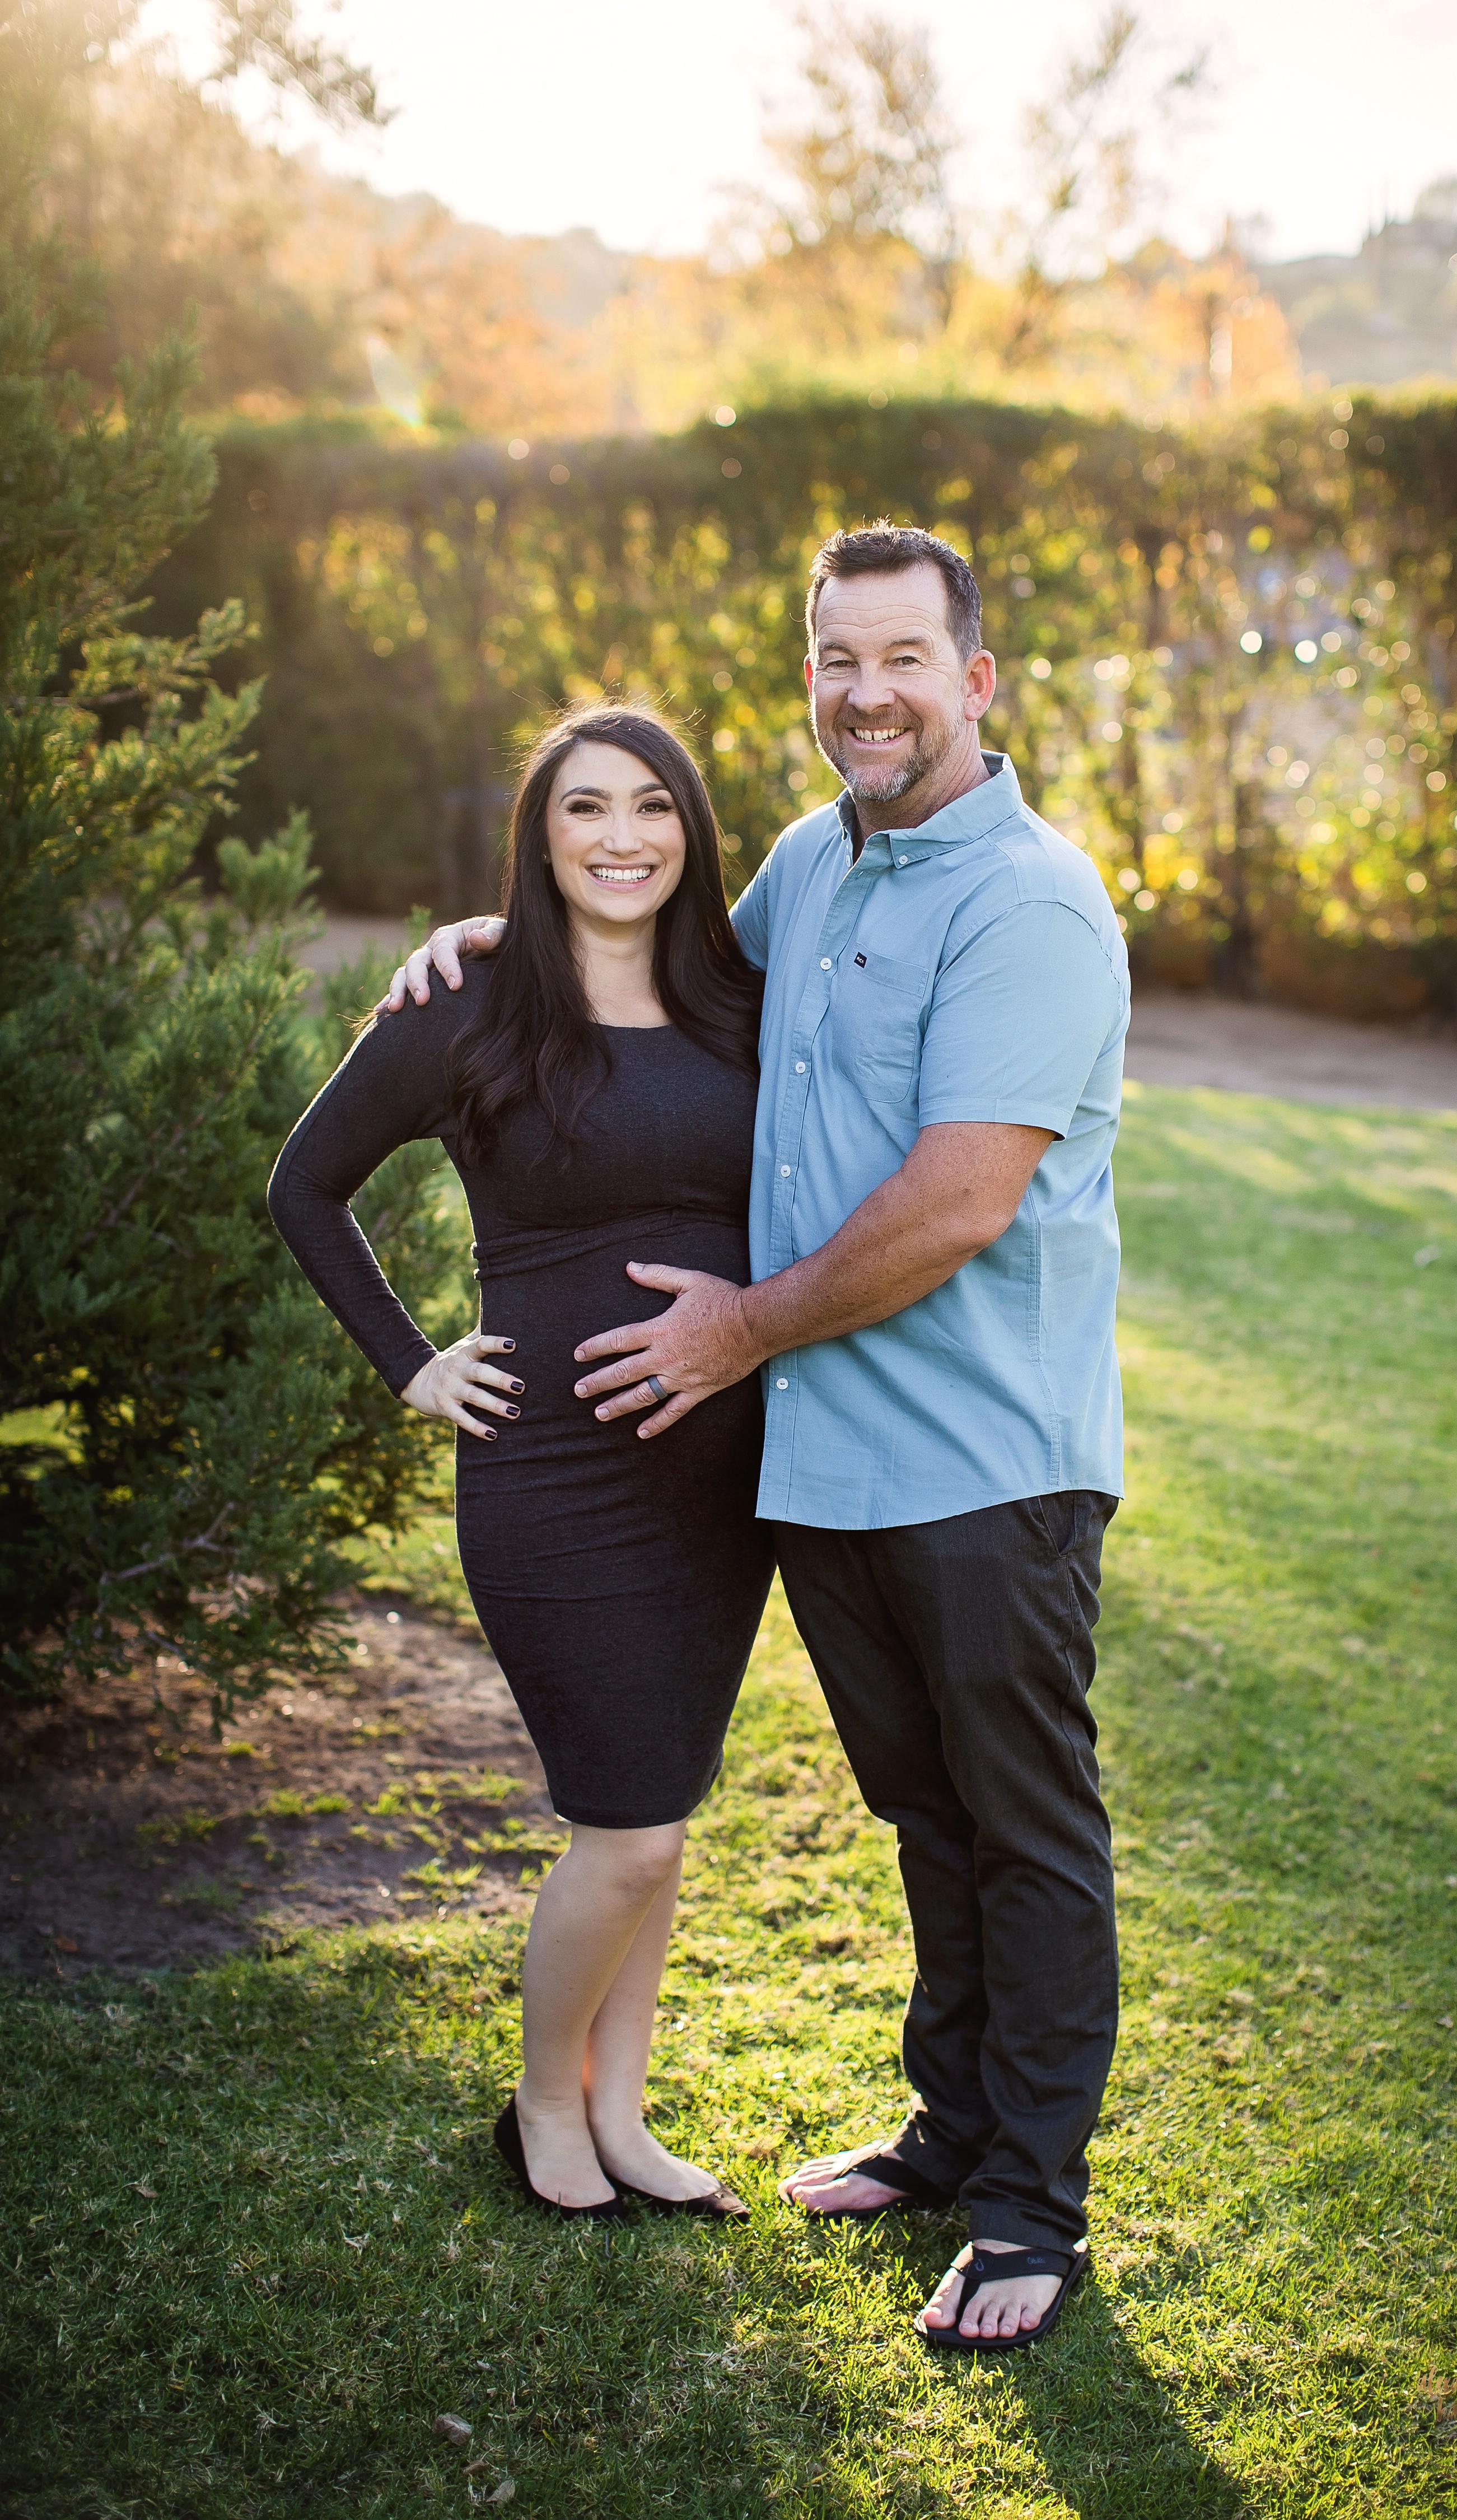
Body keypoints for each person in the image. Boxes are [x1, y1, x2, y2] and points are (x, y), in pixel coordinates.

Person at [390, 524, 1130, 2351]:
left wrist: (737, 1325)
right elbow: (649, 966)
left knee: (1026, 1829)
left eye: (903, 658)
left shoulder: (1025, 903)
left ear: (977, 678)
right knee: (925, 1817)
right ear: (811, 679)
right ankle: (951, 2129)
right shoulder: (813, 865)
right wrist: (501, 936)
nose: (866, 693)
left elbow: (958, 1200)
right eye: (834, 660)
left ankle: (1031, 2206)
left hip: (988, 1465)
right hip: (826, 1466)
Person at [270, 704, 774, 2222]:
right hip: (551, 1471)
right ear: (540, 837)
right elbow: (306, 1185)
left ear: (692, 831)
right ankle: (541, 2101)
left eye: (653, 808)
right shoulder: (470, 1002)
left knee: (659, 1813)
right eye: (585, 810)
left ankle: (624, 2111)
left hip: (722, 1477)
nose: (622, 836)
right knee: (627, 1828)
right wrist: (413, 1361)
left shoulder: (739, 999)